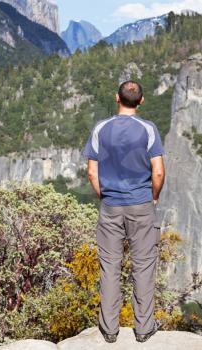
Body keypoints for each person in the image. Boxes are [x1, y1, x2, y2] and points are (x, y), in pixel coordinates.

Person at [81, 80, 165, 343]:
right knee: (143, 266)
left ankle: (109, 329)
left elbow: (92, 171)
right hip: (141, 205)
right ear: (141, 101)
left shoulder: (101, 128)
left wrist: (103, 194)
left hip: (111, 207)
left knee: (110, 267)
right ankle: (143, 329)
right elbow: (159, 171)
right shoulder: (148, 130)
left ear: (117, 98)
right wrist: (152, 198)